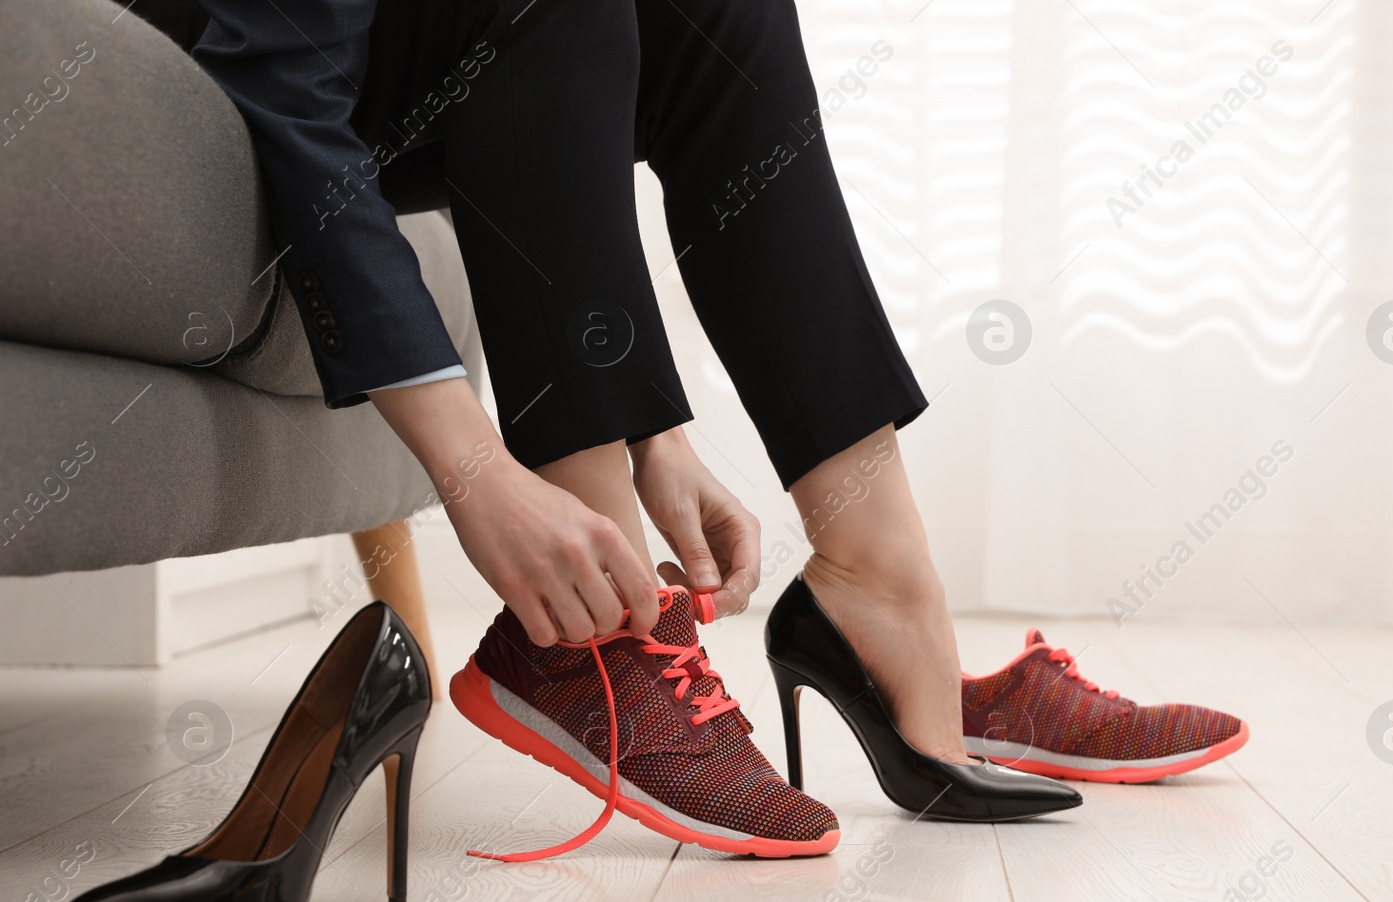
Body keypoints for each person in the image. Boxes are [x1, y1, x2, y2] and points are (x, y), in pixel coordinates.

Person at [150, 0, 1245, 857]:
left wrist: (653, 430)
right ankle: (589, 636)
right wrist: (473, 465)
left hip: (394, 44)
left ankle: (880, 580)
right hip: (241, 37)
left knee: (725, 10)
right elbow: (283, 72)